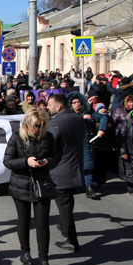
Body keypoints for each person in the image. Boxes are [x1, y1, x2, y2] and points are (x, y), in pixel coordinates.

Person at [4, 108, 58, 265]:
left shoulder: (47, 137)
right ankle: (25, 252)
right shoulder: (16, 137)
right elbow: (8, 161)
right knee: (24, 219)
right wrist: (26, 162)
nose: (38, 130)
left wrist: (47, 162)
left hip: (41, 184)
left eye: (41, 126)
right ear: (27, 123)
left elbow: (56, 157)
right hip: (21, 183)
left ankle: (44, 260)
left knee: (42, 223)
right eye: (35, 126)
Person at [47, 93, 85, 253]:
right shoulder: (78, 118)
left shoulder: (56, 123)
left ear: (59, 106)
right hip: (75, 168)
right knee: (68, 202)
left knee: (64, 206)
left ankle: (72, 240)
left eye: (49, 105)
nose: (47, 107)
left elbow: (48, 144)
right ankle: (63, 225)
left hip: (61, 171)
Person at [67, 92, 107, 199]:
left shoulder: (89, 112)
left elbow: (103, 117)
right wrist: (81, 117)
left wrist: (101, 129)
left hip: (85, 142)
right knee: (72, 166)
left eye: (78, 102)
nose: (77, 104)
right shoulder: (67, 114)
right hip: (71, 143)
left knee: (87, 166)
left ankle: (89, 189)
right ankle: (72, 187)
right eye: (74, 102)